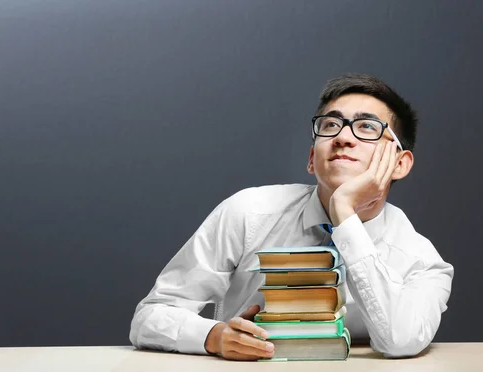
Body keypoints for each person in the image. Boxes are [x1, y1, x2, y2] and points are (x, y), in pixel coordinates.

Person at [129, 73, 454, 360]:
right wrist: (213, 337)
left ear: (399, 163)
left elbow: (400, 341)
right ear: (313, 159)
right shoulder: (249, 211)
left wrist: (344, 214)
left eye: (367, 127)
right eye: (330, 125)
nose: (343, 137)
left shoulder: (421, 261)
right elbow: (151, 316)